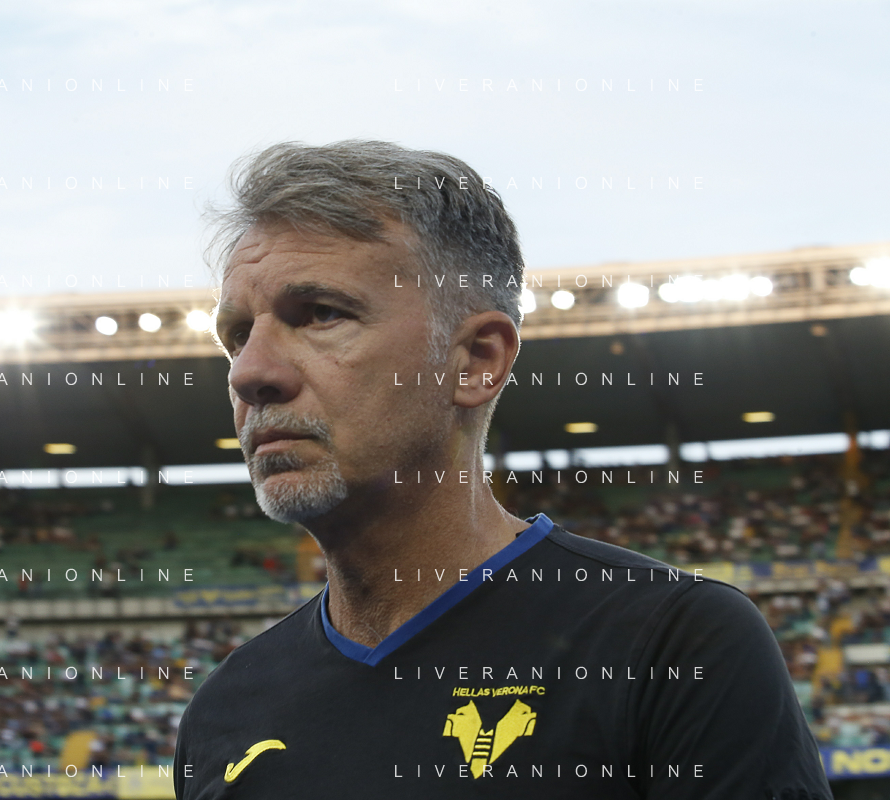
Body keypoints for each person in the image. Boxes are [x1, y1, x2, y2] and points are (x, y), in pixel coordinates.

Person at [173, 141, 831, 799]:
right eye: (237, 335)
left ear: (476, 361)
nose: (249, 372)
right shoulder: (226, 710)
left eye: (321, 314)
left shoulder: (673, 646)